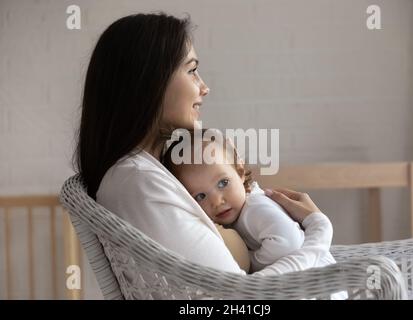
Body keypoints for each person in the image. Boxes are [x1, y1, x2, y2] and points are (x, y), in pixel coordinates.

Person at [74, 12, 342, 284]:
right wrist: (319, 228)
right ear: (151, 81)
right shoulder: (138, 182)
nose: (204, 87)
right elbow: (234, 296)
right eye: (191, 71)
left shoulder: (152, 170)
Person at [162, 128, 338, 273]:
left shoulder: (254, 207)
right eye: (200, 196)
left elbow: (288, 241)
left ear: (239, 172)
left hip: (318, 282)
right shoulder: (237, 214)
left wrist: (250, 262)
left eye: (223, 183)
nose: (217, 201)